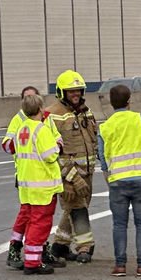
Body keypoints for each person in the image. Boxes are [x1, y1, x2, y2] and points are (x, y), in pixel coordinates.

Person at [97, 84, 141, 277]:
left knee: (119, 224)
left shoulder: (105, 127)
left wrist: (110, 181)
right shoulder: (140, 119)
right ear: (129, 100)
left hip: (117, 181)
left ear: (111, 102)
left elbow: (103, 159)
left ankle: (120, 265)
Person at [5, 93, 62, 275]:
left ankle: (31, 258)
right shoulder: (41, 129)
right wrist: (58, 147)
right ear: (40, 109)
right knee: (40, 223)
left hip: (26, 183)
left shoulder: (22, 128)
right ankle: (33, 262)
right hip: (42, 184)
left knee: (31, 221)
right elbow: (50, 155)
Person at [46, 70, 99, 263]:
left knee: (73, 208)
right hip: (69, 176)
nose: (76, 94)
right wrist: (69, 179)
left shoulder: (86, 111)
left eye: (78, 90)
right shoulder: (52, 115)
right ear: (61, 93)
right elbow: (53, 153)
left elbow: (93, 141)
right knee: (78, 210)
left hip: (88, 175)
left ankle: (60, 246)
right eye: (71, 92)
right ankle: (85, 248)